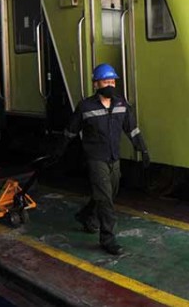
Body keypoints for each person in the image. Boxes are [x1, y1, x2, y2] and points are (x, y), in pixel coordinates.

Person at [52, 63, 150, 255]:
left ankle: (86, 215)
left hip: (114, 157)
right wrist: (58, 150)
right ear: (96, 84)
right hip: (95, 158)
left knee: (109, 193)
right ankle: (108, 239)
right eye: (106, 82)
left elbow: (132, 129)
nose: (110, 85)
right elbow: (71, 131)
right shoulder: (85, 106)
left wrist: (143, 150)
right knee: (105, 199)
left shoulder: (121, 104)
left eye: (113, 81)